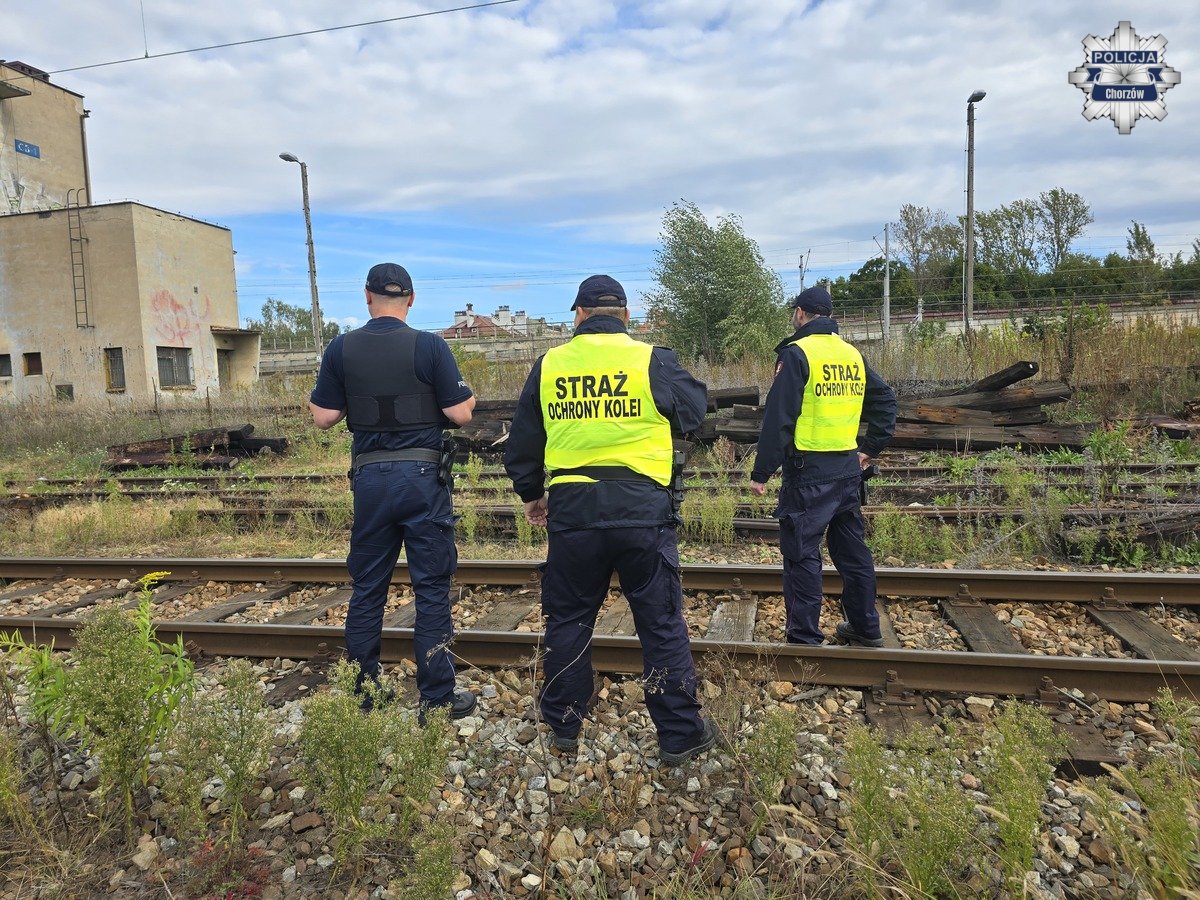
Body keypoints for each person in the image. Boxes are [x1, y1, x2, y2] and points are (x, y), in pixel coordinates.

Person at [504, 274, 716, 765]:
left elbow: (522, 445)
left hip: (573, 510)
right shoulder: (651, 359)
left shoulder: (550, 364)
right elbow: (695, 411)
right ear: (626, 315)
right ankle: (679, 734)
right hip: (643, 511)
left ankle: (564, 725)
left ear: (578, 315)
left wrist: (533, 495)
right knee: (660, 623)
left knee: (570, 618)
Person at [309, 262, 478, 720]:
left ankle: (364, 694)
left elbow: (323, 417)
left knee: (368, 588)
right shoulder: (430, 346)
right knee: (431, 588)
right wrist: (464, 397)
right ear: (411, 299)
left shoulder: (341, 348)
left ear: (367, 297)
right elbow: (461, 413)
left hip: (370, 480)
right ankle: (437, 699)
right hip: (422, 480)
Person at [750, 285, 897, 646]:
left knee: (801, 554)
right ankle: (865, 627)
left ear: (800, 313)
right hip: (847, 471)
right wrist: (870, 447)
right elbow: (885, 400)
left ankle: (804, 638)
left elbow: (779, 417)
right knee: (853, 553)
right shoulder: (851, 354)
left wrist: (762, 471)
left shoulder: (797, 353)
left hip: (809, 474)